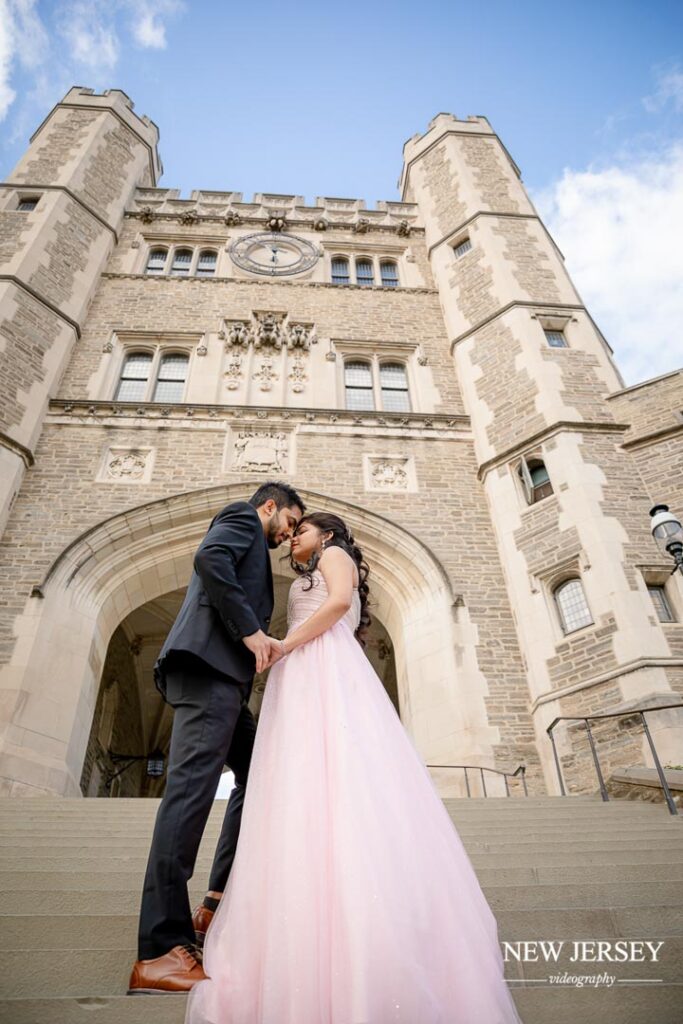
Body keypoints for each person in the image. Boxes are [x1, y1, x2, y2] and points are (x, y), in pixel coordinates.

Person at [183, 511, 524, 1023]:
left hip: (322, 664)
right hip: (298, 671)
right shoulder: (305, 575)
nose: (293, 537)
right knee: (296, 781)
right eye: (292, 530)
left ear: (329, 534)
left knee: (337, 769)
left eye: (303, 529)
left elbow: (340, 602)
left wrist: (284, 645)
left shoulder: (336, 556)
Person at [128, 481, 305, 995]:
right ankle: (159, 949)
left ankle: (215, 898)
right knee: (188, 800)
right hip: (207, 672)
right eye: (289, 523)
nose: (287, 535)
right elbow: (211, 559)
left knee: (260, 772)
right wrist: (252, 630)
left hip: (222, 680)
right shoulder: (241, 517)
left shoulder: (256, 531)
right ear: (269, 507)